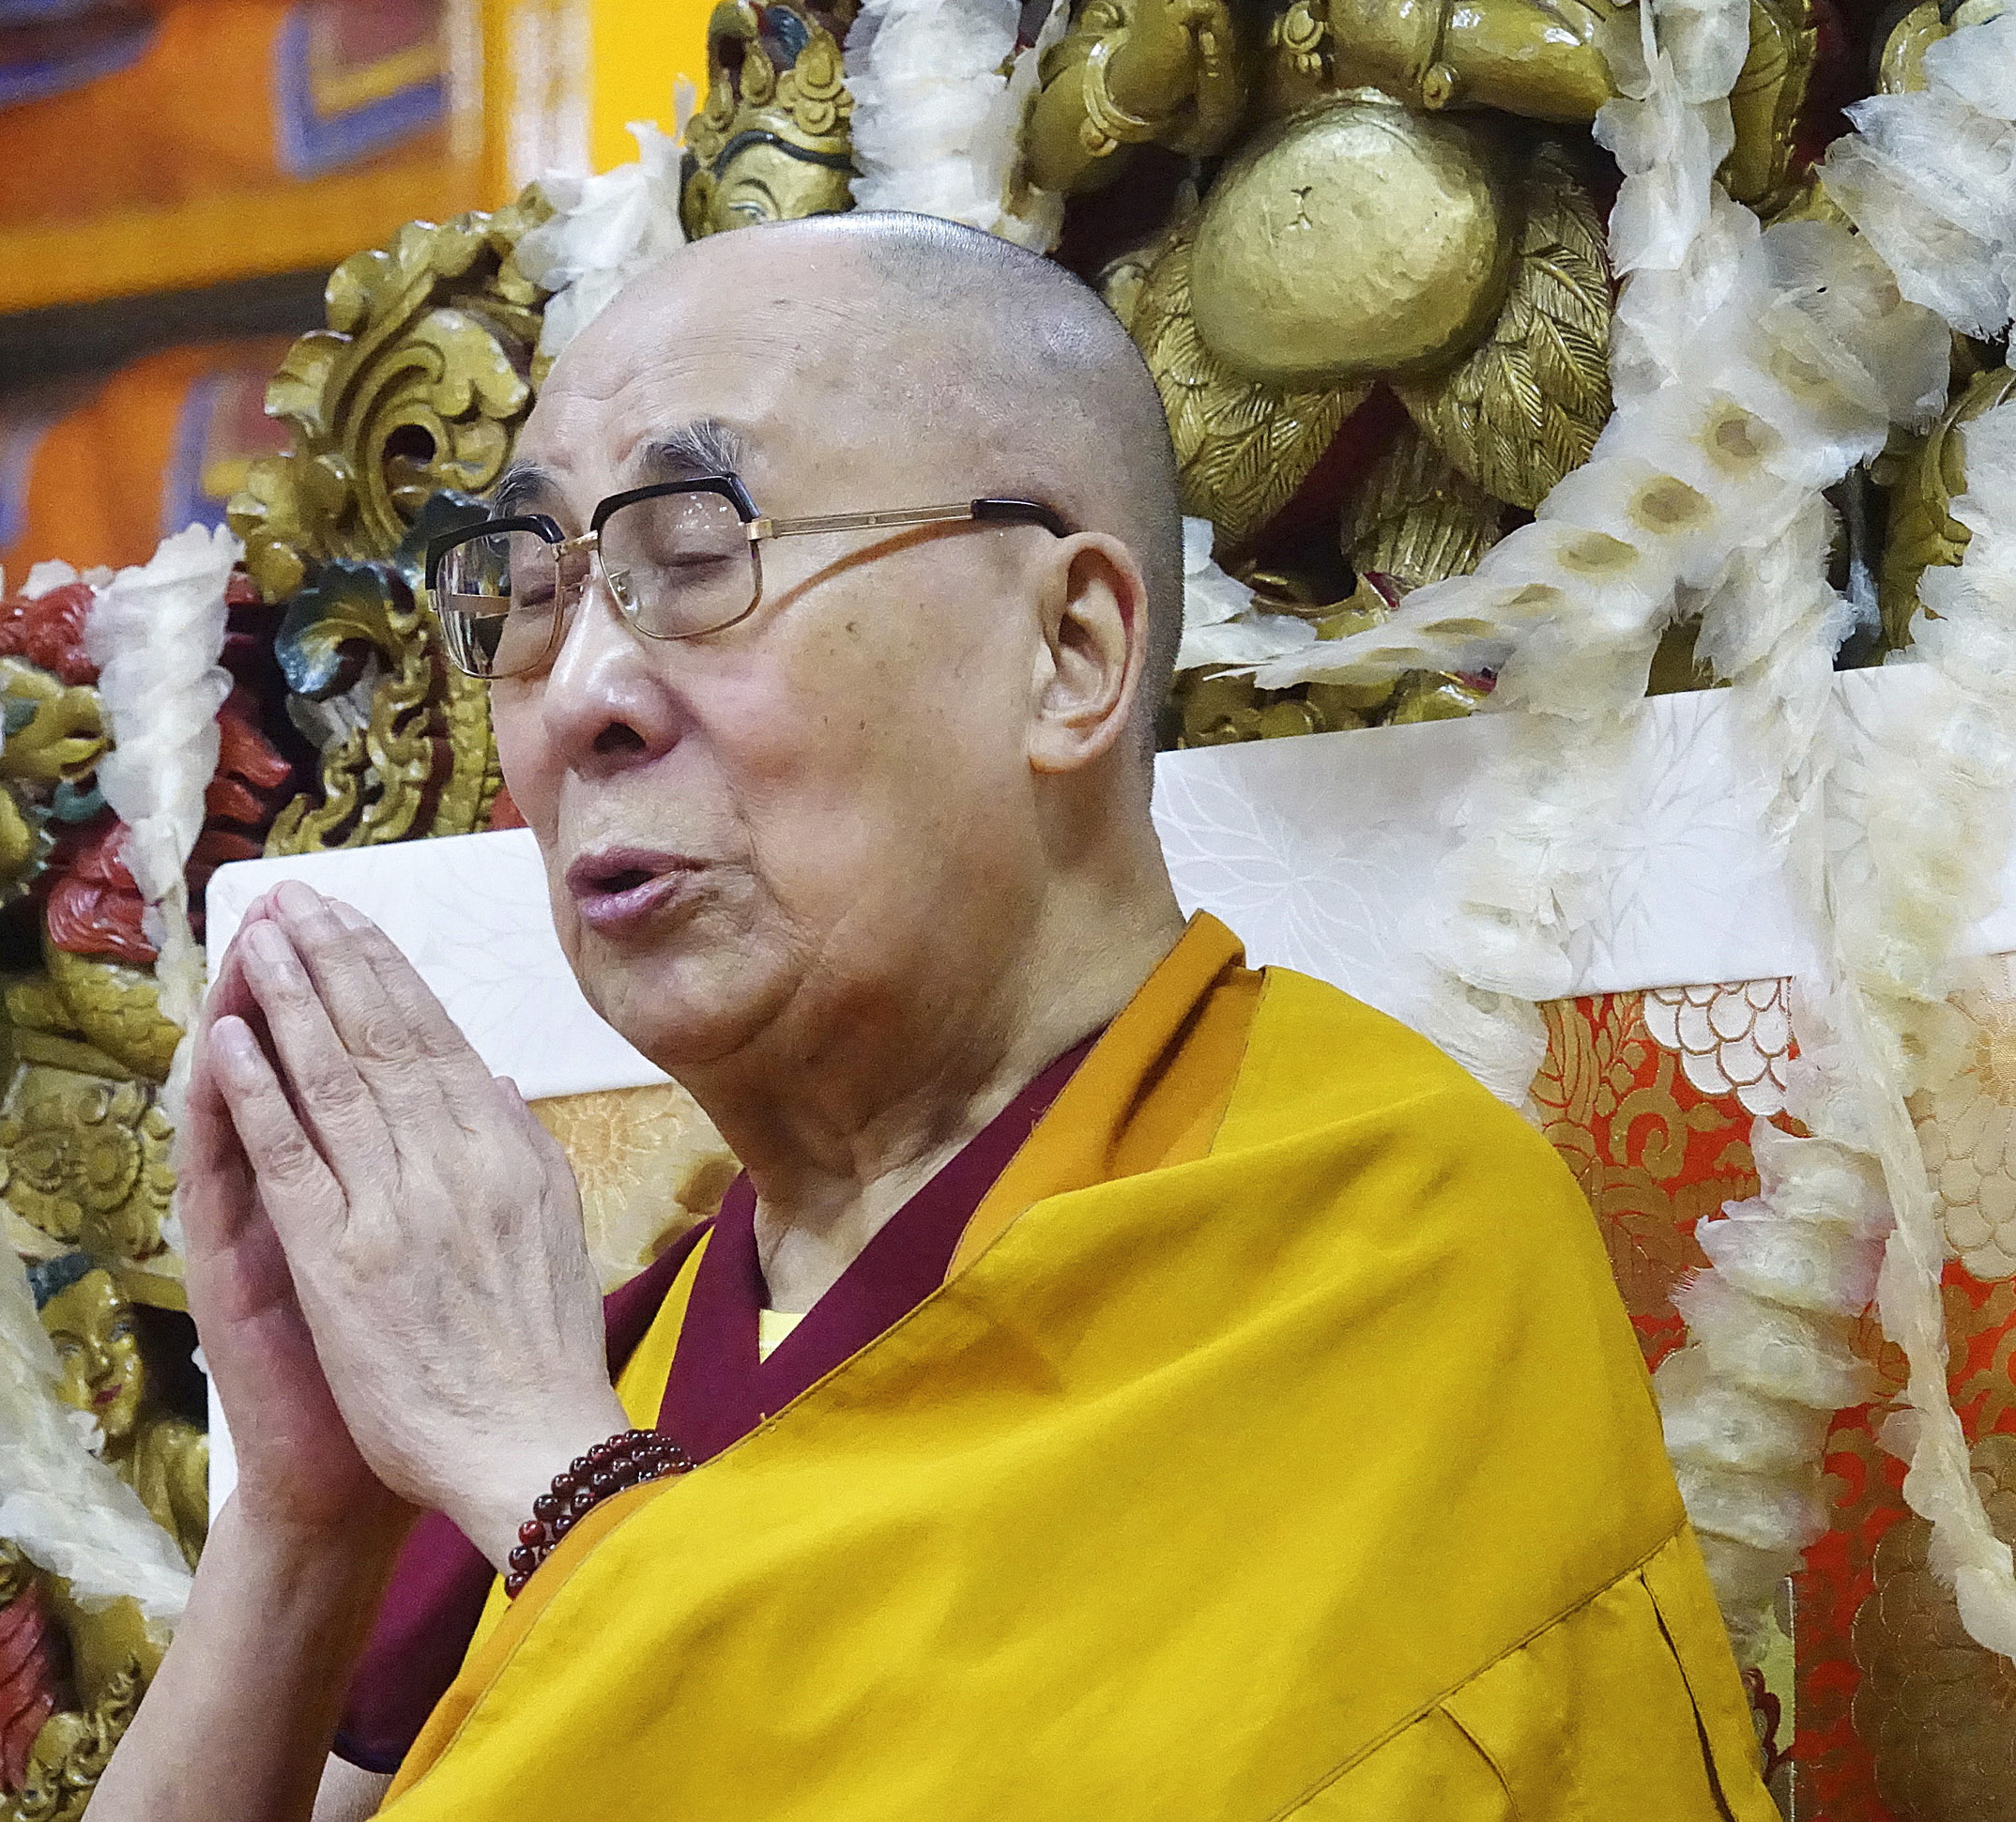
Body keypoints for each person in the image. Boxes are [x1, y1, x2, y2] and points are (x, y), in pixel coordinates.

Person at [86, 212, 1778, 1821]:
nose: (581, 698)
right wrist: (306, 1524)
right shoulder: (639, 1353)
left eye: (692, 558)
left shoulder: (1385, 1251)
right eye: (530, 595)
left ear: (1068, 648)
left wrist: (545, 1470)